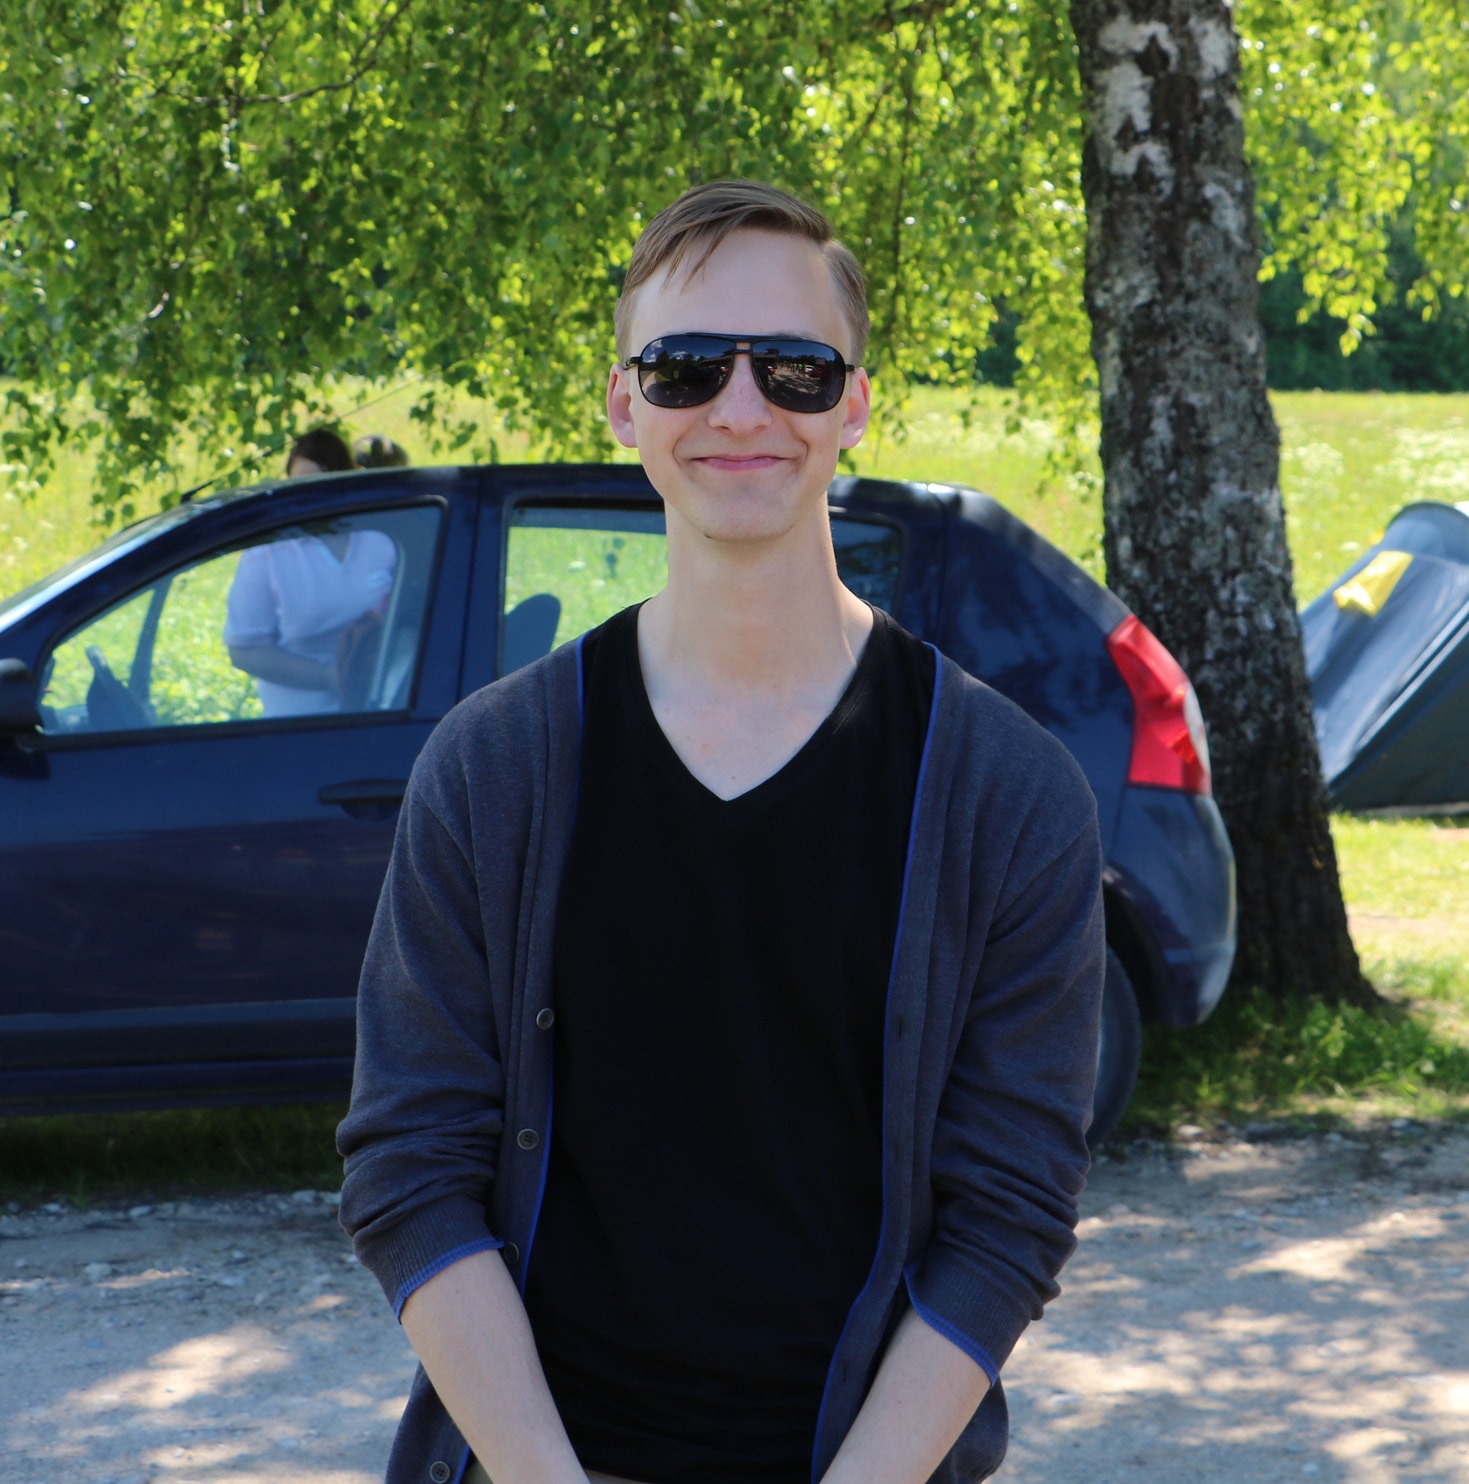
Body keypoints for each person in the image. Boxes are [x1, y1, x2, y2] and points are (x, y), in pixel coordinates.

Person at [336, 181, 1104, 1484]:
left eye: (795, 369)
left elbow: (1008, 1212)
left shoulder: (1006, 793)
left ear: (854, 405)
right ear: (623, 402)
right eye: (688, 366)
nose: (742, 409)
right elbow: (410, 1166)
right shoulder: (493, 769)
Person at [223, 431, 395, 715]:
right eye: (299, 486)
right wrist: (329, 677)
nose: (310, 497)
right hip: (300, 725)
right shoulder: (268, 552)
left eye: (321, 485)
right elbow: (244, 650)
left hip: (383, 712)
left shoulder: (381, 537)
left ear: (345, 483)